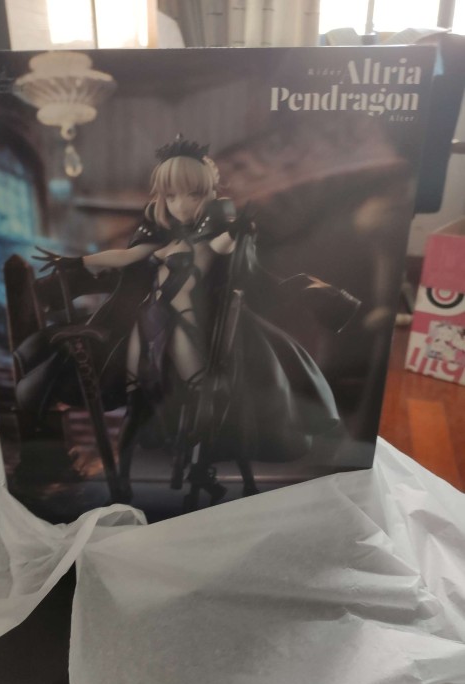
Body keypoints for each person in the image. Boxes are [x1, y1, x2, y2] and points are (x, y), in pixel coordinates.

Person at [32, 135, 360, 509]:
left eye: (192, 195)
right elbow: (127, 257)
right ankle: (126, 466)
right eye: (171, 196)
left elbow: (225, 255)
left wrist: (234, 235)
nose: (181, 204)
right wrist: (78, 262)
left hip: (192, 320)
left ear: (207, 193)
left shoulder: (218, 228)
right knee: (137, 387)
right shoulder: (159, 230)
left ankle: (200, 454)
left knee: (199, 386)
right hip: (151, 316)